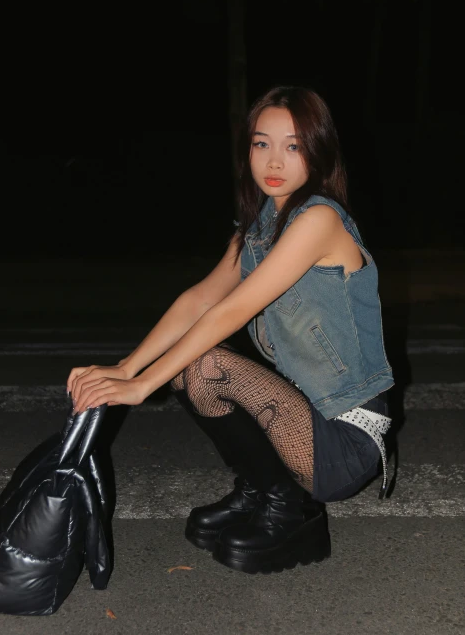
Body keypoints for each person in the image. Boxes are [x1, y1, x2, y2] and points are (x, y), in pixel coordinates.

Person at [67, 86, 394, 575]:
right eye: (262, 143)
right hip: (301, 416)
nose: (274, 160)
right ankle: (260, 489)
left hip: (346, 437)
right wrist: (126, 365)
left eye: (294, 145)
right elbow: (200, 299)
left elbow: (230, 311)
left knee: (209, 364)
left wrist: (141, 385)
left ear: (319, 152)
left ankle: (289, 509)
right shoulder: (259, 227)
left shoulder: (320, 219)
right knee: (193, 369)